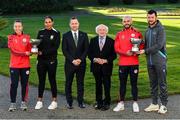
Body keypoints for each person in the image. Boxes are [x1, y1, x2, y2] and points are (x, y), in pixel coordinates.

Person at [139, 10, 168, 114]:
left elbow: (159, 45)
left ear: (156, 17)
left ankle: (164, 105)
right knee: (153, 83)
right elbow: (146, 44)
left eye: (152, 17)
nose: (150, 19)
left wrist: (145, 51)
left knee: (162, 83)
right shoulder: (147, 30)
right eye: (148, 17)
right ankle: (154, 104)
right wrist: (138, 44)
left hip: (159, 61)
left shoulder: (161, 29)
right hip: (150, 61)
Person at [113, 16, 144, 112]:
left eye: (128, 21)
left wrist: (138, 51)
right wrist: (125, 53)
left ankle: (135, 103)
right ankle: (121, 103)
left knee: (134, 84)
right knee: (122, 84)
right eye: (124, 21)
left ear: (131, 22)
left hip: (134, 62)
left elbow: (142, 44)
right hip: (123, 63)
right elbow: (116, 48)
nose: (126, 22)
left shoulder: (137, 33)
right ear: (122, 22)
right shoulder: (119, 34)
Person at [62, 17, 89, 109]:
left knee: (80, 83)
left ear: (78, 24)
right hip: (70, 64)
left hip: (81, 64)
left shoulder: (84, 35)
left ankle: (80, 102)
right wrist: (73, 60)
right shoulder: (66, 35)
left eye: (76, 23)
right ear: (70, 24)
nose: (74, 25)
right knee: (68, 83)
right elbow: (64, 50)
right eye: (72, 23)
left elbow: (86, 49)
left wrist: (80, 60)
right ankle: (69, 102)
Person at [88, 24, 116, 111]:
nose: (102, 31)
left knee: (107, 85)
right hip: (96, 67)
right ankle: (99, 102)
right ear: (97, 31)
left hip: (106, 67)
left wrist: (106, 60)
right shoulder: (93, 40)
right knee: (98, 84)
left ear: (106, 31)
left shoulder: (111, 41)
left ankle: (107, 102)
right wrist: (95, 59)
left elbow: (114, 55)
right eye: (100, 30)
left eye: (104, 30)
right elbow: (89, 53)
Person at [34, 16, 60, 110]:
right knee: (41, 80)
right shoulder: (40, 32)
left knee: (52, 80)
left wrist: (43, 52)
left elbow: (55, 48)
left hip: (51, 60)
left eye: (49, 22)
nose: (47, 23)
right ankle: (39, 101)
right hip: (41, 60)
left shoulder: (56, 33)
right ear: (44, 23)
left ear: (52, 22)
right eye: (46, 22)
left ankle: (54, 101)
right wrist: (34, 49)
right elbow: (36, 44)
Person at [8, 20, 32, 111]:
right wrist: (25, 53)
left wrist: (32, 52)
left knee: (24, 84)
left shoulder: (27, 37)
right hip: (14, 65)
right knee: (14, 84)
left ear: (22, 27)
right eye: (16, 26)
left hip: (25, 65)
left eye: (19, 26)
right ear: (13, 27)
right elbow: (13, 51)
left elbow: (30, 50)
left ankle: (23, 102)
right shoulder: (10, 37)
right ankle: (12, 103)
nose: (17, 28)